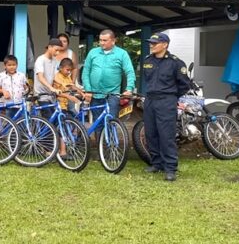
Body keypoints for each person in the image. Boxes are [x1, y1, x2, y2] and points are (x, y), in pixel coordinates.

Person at [141, 32, 191, 182]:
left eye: (154, 43)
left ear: (165, 45)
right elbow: (147, 80)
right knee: (151, 133)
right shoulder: (147, 61)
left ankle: (170, 168)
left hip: (166, 101)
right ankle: (156, 164)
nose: (151, 45)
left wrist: (172, 97)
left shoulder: (176, 63)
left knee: (166, 135)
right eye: (150, 42)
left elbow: (184, 84)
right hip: (150, 100)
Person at [81, 29, 136, 121]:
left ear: (113, 41)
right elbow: (85, 72)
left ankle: (110, 135)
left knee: (111, 121)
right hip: (95, 94)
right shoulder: (93, 52)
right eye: (100, 40)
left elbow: (130, 72)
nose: (102, 43)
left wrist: (129, 89)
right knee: (98, 122)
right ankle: (99, 136)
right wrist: (88, 90)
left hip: (113, 94)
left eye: (105, 40)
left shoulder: (122, 54)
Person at [34, 39, 65, 114]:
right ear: (49, 47)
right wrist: (51, 88)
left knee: (56, 118)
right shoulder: (40, 60)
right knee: (49, 118)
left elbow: (56, 77)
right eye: (56, 50)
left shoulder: (55, 61)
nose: (57, 53)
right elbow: (41, 77)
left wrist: (65, 85)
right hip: (41, 95)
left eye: (59, 51)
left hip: (51, 95)